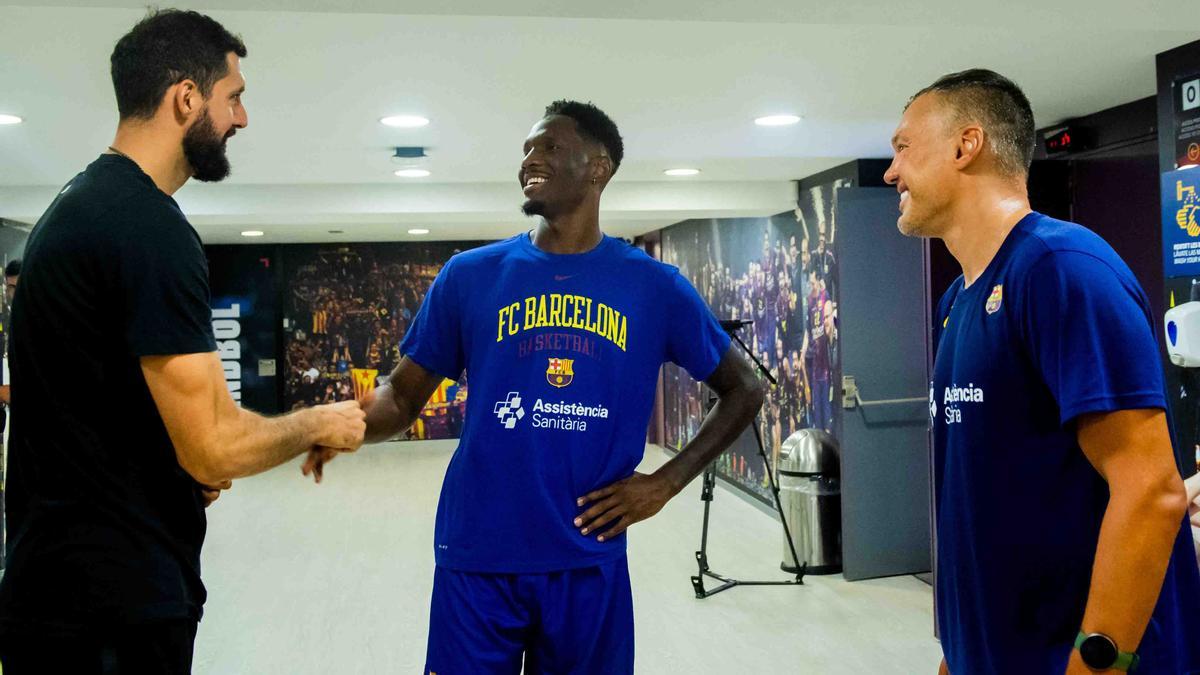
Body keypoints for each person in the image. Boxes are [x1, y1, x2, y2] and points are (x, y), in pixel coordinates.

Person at [305, 100, 764, 672]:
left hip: (586, 556)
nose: (529, 159)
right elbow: (402, 397)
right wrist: (342, 426)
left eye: (548, 146)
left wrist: (666, 483)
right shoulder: (470, 276)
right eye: (525, 149)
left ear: (599, 168)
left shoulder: (653, 287)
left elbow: (745, 388)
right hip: (477, 554)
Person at [0, 10, 365, 674]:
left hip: (57, 591)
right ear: (185, 98)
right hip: (111, 609)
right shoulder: (145, 227)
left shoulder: (75, 209)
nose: (242, 120)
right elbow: (213, 443)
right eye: (234, 96)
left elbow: (97, 413)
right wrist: (318, 419)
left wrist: (172, 469)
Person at [886, 68, 1200, 674]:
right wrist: (959, 652)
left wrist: (1094, 665)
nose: (890, 171)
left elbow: (1151, 492)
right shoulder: (958, 302)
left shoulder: (1060, 269)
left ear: (964, 145)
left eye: (903, 147)